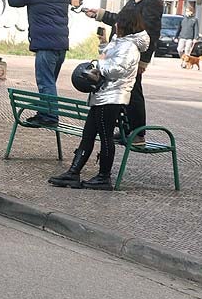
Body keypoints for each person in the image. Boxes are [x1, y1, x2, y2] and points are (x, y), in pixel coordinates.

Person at [49, 11, 149, 190]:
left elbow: (117, 68)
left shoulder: (130, 46)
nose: (116, 26)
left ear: (126, 25)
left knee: (105, 136)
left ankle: (104, 177)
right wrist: (103, 44)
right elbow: (110, 57)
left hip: (113, 96)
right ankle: (73, 172)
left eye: (118, 23)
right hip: (102, 94)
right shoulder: (121, 42)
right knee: (88, 134)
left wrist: (97, 65)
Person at [83, 0, 161, 144]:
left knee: (133, 92)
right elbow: (122, 20)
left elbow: (151, 32)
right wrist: (100, 14)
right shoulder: (137, 0)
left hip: (131, 55)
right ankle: (128, 129)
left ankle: (137, 133)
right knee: (125, 92)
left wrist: (144, 60)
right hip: (123, 52)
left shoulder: (151, 1)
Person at [7, 0, 84, 125]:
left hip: (45, 45)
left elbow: (14, 0)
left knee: (46, 82)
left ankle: (49, 117)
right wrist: (74, 2)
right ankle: (45, 111)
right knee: (50, 82)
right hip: (61, 45)